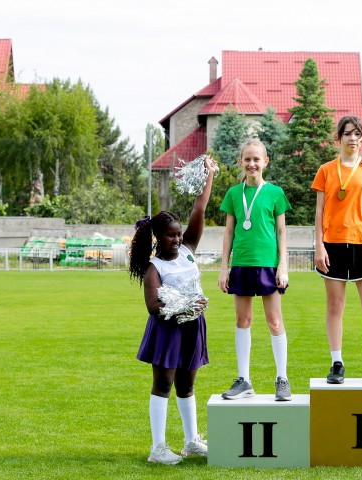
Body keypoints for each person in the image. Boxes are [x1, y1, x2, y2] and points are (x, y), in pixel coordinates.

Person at [128, 156, 217, 464]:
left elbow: (199, 209)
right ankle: (158, 448)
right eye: (171, 235)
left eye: (179, 234)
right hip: (167, 330)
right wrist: (186, 305)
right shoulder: (154, 267)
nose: (177, 239)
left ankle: (191, 441)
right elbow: (153, 306)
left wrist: (209, 176)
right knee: (163, 384)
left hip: (193, 327)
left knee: (188, 385)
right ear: (158, 238)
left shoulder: (187, 250)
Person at [311, 115, 362, 384]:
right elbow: (319, 210)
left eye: (357, 134)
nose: (352, 138)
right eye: (347, 134)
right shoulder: (326, 170)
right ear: (339, 138)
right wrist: (318, 245)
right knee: (335, 305)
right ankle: (336, 363)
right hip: (332, 244)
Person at [218, 138, 293, 401]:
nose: (252, 164)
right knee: (243, 320)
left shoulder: (275, 193)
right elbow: (228, 233)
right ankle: (244, 380)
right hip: (241, 264)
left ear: (265, 162)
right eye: (247, 159)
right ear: (241, 161)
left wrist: (283, 266)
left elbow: (282, 232)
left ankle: (282, 378)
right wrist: (224, 268)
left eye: (256, 159)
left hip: (268, 266)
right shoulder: (232, 194)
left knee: (274, 321)